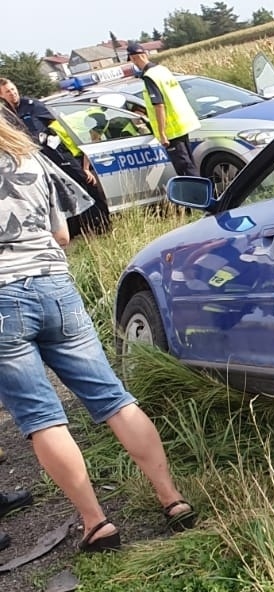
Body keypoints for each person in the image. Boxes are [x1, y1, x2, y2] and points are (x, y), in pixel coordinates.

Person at [0, 117, 196, 553]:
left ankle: (96, 522)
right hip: (55, 286)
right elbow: (62, 234)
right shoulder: (30, 156)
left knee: (42, 418)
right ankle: (172, 499)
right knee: (113, 398)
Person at [0, 77, 112, 236]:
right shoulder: (7, 115)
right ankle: (78, 230)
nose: (12, 93)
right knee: (60, 195)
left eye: (13, 89)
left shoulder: (33, 106)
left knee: (84, 184)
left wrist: (82, 162)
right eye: (8, 92)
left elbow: (62, 129)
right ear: (2, 95)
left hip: (60, 156)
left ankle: (103, 225)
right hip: (40, 162)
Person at [126, 43, 200, 178]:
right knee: (190, 164)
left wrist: (162, 134)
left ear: (133, 58)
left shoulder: (149, 76)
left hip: (171, 129)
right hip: (183, 122)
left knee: (185, 168)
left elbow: (159, 105)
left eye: (132, 60)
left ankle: (198, 191)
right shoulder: (162, 70)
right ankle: (203, 189)